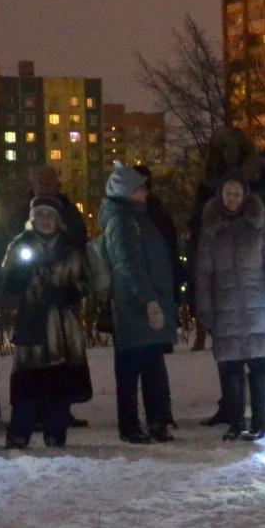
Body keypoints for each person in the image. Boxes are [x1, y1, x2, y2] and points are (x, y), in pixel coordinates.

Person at [194, 174, 265, 441]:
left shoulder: (260, 225)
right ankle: (236, 422)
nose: (232, 199)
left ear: (245, 196)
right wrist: (206, 310)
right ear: (219, 196)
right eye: (228, 193)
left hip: (259, 306)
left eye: (237, 193)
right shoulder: (211, 230)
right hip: (225, 308)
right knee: (230, 368)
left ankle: (260, 419)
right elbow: (203, 273)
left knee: (260, 366)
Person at [1, 195, 91, 447]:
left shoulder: (70, 249)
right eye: (39, 215)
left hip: (63, 326)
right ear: (32, 219)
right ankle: (20, 432)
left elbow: (84, 281)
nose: (45, 220)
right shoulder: (20, 245)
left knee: (60, 383)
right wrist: (21, 276)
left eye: (50, 215)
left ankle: (56, 431)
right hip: (33, 321)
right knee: (28, 382)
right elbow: (6, 283)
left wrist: (70, 293)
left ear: (58, 220)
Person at [99, 163, 178, 444]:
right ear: (128, 191)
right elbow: (129, 264)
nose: (146, 191)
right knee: (132, 367)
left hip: (143, 304)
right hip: (134, 306)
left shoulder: (137, 217)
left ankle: (157, 421)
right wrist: (150, 301)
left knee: (152, 364)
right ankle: (131, 425)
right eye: (140, 187)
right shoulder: (123, 221)